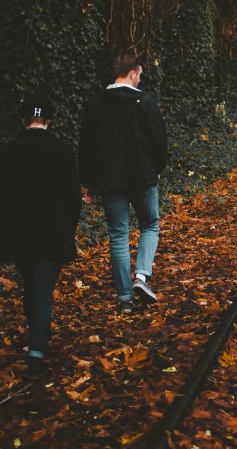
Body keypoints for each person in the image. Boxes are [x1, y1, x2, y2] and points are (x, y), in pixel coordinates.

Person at [0, 95, 82, 376]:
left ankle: (36, 340)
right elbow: (73, 198)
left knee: (31, 288)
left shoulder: (9, 151)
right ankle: (36, 353)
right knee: (42, 293)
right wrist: (68, 229)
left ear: (24, 119)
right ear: (49, 120)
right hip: (52, 235)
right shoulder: (63, 151)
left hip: (20, 236)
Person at [78, 54, 170, 315]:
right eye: (139, 75)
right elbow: (159, 139)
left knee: (118, 235)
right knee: (150, 225)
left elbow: (87, 146)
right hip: (142, 178)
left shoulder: (96, 104)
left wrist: (88, 181)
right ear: (131, 74)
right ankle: (141, 276)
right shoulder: (144, 101)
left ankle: (125, 298)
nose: (140, 79)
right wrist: (157, 168)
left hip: (109, 182)